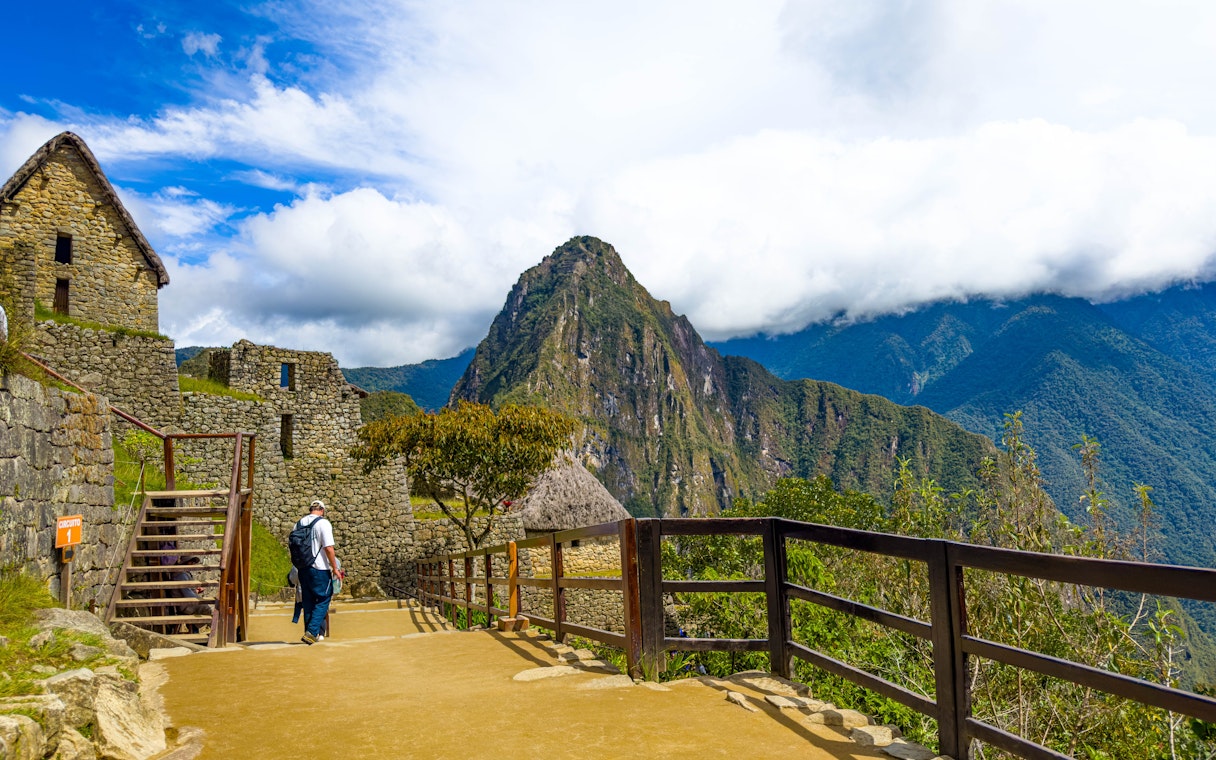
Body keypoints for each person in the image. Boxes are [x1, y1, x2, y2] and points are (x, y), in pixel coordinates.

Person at [297, 499, 344, 645]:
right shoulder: (323, 523)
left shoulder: (298, 524)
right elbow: (329, 548)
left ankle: (310, 633)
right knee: (324, 598)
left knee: (308, 600)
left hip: (303, 569)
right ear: (322, 510)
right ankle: (312, 632)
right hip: (320, 568)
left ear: (310, 509)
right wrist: (335, 568)